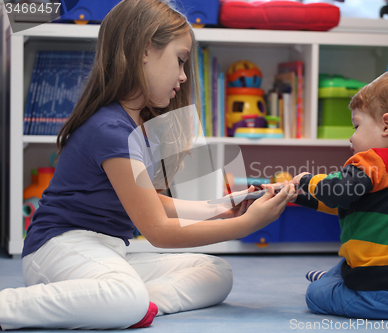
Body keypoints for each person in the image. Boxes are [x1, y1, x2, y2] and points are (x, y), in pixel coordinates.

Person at [0, 0, 295, 330]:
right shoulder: (110, 130)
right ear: (144, 49)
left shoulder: (133, 126)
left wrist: (223, 208)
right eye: (180, 61)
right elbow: (157, 231)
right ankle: (12, 307)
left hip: (108, 250)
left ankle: (132, 304)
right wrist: (246, 225)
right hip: (60, 247)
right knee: (125, 295)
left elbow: (151, 203)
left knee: (216, 273)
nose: (184, 76)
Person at [290, 70, 388, 320]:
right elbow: (347, 203)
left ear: (386, 125)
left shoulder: (372, 160)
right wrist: (298, 196)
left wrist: (307, 180)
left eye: (357, 125)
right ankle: (335, 279)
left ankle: (330, 284)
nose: (351, 137)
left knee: (314, 294)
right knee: (346, 263)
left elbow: (337, 192)